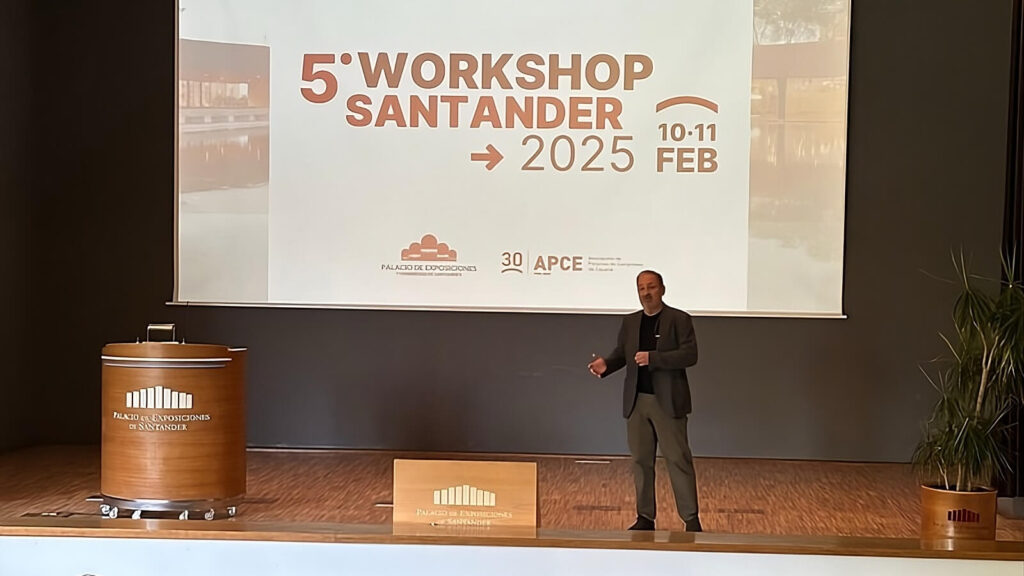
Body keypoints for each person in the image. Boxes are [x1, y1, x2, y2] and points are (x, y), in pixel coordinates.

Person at [587, 270, 702, 532]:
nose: (646, 293)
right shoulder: (630, 322)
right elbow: (623, 354)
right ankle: (645, 517)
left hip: (668, 402)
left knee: (678, 460)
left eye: (651, 287)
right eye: (641, 288)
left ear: (662, 289)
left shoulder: (679, 319)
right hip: (637, 401)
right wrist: (607, 364)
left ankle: (691, 519)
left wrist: (654, 358)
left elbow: (690, 355)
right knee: (640, 461)